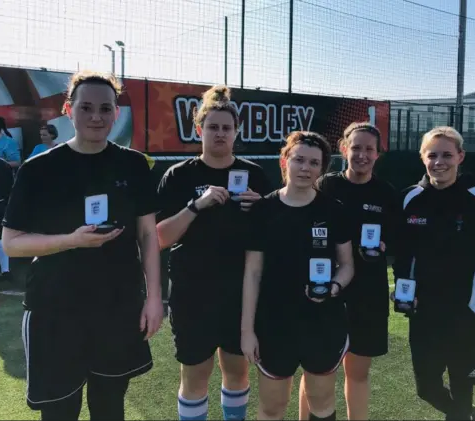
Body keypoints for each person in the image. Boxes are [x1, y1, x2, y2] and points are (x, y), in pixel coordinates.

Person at [1, 70, 163, 421]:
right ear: (67, 109)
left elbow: (149, 234)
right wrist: (72, 241)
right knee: (60, 412)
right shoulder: (38, 169)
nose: (96, 116)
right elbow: (12, 244)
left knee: (109, 408)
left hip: (118, 308)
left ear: (115, 114)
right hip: (55, 312)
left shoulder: (133, 165)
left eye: (105, 108)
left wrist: (153, 298)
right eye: (86, 107)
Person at [156, 85, 270, 421]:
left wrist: (262, 206)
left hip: (242, 294)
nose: (220, 133)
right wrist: (196, 206)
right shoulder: (179, 175)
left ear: (237, 132)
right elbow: (160, 238)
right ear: (199, 129)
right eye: (213, 127)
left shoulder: (256, 175)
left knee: (237, 373)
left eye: (226, 128)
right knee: (194, 378)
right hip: (193, 293)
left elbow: (272, 234)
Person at [241, 131, 354, 421]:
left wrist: (334, 287)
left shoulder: (334, 210)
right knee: (272, 407)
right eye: (299, 160)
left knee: (321, 401)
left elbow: (347, 265)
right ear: (284, 161)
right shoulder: (263, 210)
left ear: (322, 168)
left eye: (314, 163)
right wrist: (247, 330)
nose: (306, 168)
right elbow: (253, 273)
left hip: (322, 323)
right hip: (274, 324)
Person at [297, 122, 398, 420]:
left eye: (369, 149)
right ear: (344, 149)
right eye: (356, 147)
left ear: (378, 154)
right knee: (317, 372)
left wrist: (383, 246)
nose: (362, 155)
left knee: (357, 374)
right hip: (324, 291)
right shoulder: (325, 186)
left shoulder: (387, 193)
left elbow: (397, 239)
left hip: (369, 294)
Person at [392, 126, 475, 421]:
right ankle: (465, 415)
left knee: (464, 383)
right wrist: (401, 292)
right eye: (432, 155)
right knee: (426, 387)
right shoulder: (409, 197)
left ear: (460, 156)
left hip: (466, 311)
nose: (440, 162)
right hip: (422, 311)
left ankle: (462, 413)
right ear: (422, 158)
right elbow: (401, 254)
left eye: (447, 155)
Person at [0, 156, 14, 287]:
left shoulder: (1, 165)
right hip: (3, 206)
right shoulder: (4, 164)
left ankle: (5, 271)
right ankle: (5, 271)